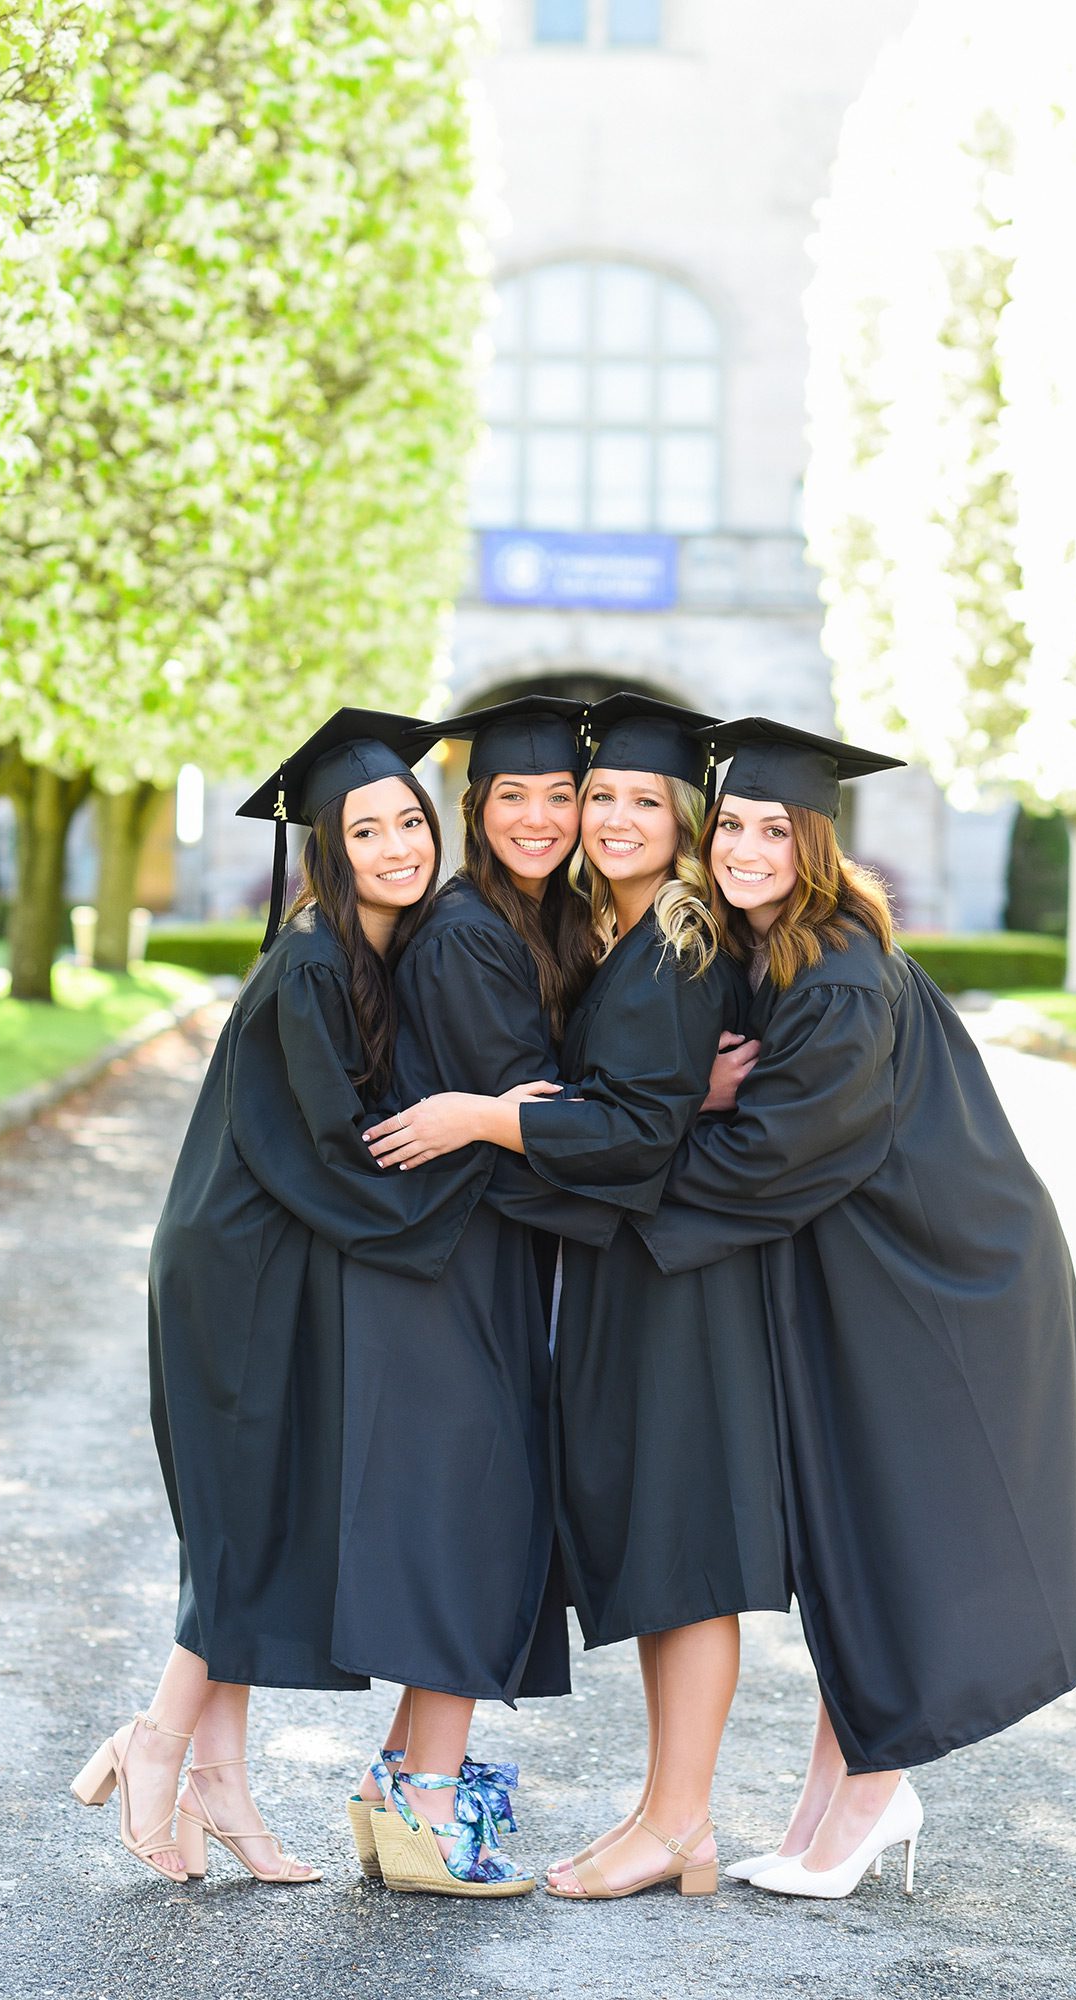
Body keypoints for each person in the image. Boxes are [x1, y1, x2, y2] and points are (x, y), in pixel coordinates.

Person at [634, 716, 1076, 1900]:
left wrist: (617, 1177)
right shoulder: (771, 950)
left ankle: (871, 1788)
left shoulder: (842, 970)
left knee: (895, 1529)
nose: (748, 848)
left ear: (814, 841)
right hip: (870, 1270)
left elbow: (773, 1154)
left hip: (944, 1277)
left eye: (775, 828)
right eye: (735, 827)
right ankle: (843, 1789)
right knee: (851, 1532)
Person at [367, 694, 790, 1902]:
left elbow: (627, 1131)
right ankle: (666, 1818)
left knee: (689, 1544)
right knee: (661, 1542)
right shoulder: (611, 934)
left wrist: (485, 1115)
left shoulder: (676, 940)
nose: (598, 815)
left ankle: (678, 1819)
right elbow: (639, 1106)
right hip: (628, 1272)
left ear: (685, 820)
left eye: (630, 798)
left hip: (674, 1279)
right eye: (589, 793)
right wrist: (664, 1105)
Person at [71, 712, 501, 1886]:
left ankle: (222, 1784)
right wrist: (497, 1142)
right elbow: (335, 1153)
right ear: (328, 846)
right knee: (245, 1524)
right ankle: (156, 1742)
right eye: (368, 828)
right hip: (240, 1270)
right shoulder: (316, 961)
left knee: (250, 1523)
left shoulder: (365, 950)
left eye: (410, 819)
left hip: (274, 1260)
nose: (399, 843)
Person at [346, 694, 621, 1895]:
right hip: (453, 1262)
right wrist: (674, 1108)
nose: (541, 816)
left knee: (478, 1507)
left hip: (478, 1258)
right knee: (472, 1517)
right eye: (513, 794)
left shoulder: (531, 925)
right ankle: (425, 1803)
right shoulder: (467, 934)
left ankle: (399, 1782)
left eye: (562, 795)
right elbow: (523, 1108)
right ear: (473, 807)